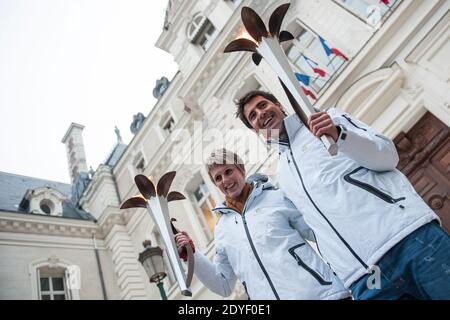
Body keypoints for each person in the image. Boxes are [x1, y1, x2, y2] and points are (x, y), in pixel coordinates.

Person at [235, 90, 450, 300]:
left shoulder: (330, 120)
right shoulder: (283, 173)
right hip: (364, 279)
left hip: (409, 239)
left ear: (279, 105)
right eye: (252, 116)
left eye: (262, 105)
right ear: (255, 131)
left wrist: (340, 135)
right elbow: (312, 228)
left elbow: (387, 155)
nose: (260, 114)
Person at [175, 149, 350, 300]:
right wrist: (192, 255)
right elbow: (223, 285)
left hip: (322, 295)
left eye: (228, 171)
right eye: (218, 178)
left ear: (241, 169)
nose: (225, 180)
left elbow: (321, 232)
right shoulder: (222, 229)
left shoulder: (276, 197)